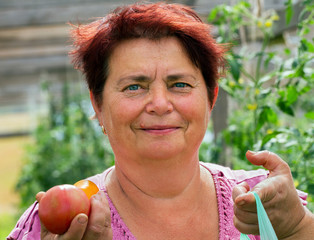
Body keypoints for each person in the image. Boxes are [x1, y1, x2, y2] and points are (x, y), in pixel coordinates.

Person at [8, 2, 314, 240]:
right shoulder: (58, 222)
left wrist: (297, 227)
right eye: (134, 87)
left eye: (179, 84)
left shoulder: (263, 203)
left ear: (211, 97)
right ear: (97, 104)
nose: (159, 104)